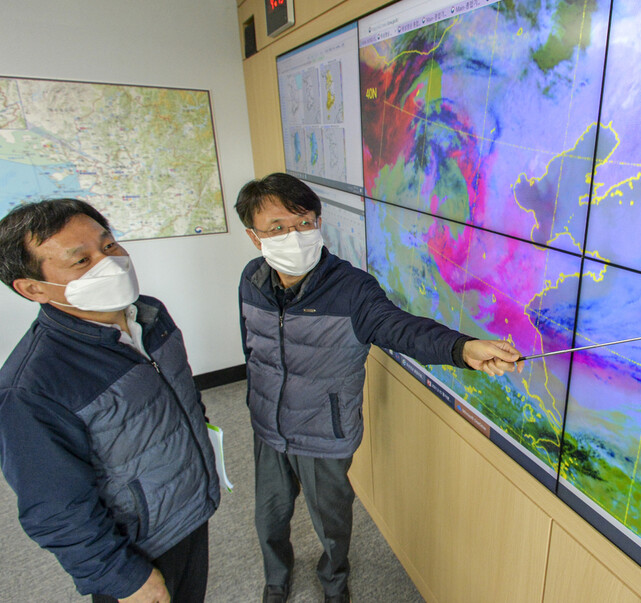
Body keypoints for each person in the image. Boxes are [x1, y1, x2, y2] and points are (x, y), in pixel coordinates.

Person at [236, 173, 522, 603]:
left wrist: (461, 348)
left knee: (331, 524)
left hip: (323, 434)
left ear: (318, 222)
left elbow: (400, 329)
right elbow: (251, 347)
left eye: (304, 223)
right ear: (256, 238)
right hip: (268, 428)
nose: (294, 237)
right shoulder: (251, 280)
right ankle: (276, 579)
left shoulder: (351, 288)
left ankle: (334, 584)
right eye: (277, 228)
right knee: (269, 518)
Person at [0, 199, 220, 603]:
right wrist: (123, 577)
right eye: (80, 261)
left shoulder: (150, 315)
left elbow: (182, 398)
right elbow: (55, 507)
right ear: (33, 288)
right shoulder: (32, 388)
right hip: (138, 548)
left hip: (188, 507)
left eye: (108, 246)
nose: (110, 264)